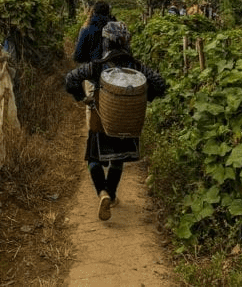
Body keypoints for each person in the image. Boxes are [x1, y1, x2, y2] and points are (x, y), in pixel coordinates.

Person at [65, 20, 168, 221]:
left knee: (93, 159)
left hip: (101, 119)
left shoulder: (96, 67)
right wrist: (143, 98)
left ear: (106, 43)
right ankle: (111, 194)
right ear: (126, 43)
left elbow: (71, 79)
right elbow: (160, 83)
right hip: (127, 121)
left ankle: (102, 193)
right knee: (117, 159)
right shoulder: (136, 66)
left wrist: (82, 97)